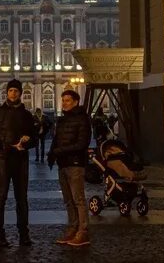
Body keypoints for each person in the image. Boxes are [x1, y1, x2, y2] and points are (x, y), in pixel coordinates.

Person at [0, 79, 38, 247]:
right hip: (3, 160)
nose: (13, 93)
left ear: (20, 93)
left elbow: (35, 138)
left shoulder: (26, 115)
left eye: (16, 91)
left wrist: (27, 141)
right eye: (11, 90)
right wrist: (5, 145)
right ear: (7, 93)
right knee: (0, 198)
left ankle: (24, 234)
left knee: (22, 199)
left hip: (20, 160)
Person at [47, 89, 91, 247]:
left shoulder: (82, 119)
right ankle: (72, 228)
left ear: (75, 102)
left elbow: (82, 144)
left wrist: (59, 151)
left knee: (78, 199)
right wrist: (52, 154)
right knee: (68, 200)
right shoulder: (63, 120)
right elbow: (57, 140)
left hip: (75, 164)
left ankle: (83, 231)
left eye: (67, 100)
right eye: (63, 100)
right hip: (63, 163)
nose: (64, 103)